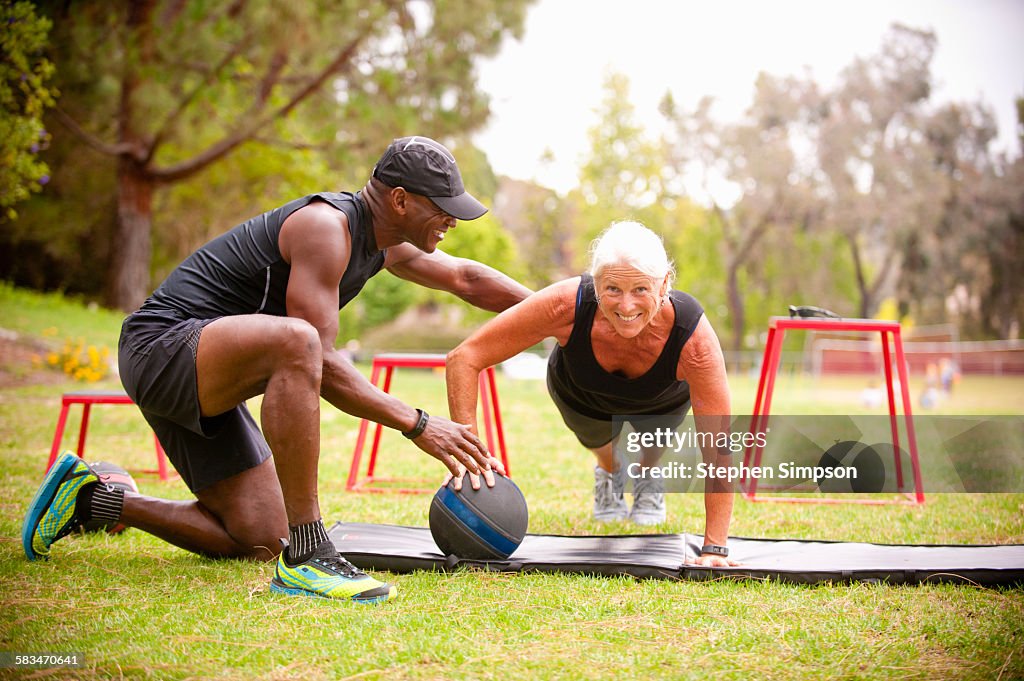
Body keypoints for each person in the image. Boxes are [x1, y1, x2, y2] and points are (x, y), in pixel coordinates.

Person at [23, 136, 532, 602]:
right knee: (300, 339)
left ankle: (93, 500)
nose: (452, 222)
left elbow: (465, 278)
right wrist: (420, 423)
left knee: (260, 536)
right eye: (443, 210)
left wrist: (563, 313)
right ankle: (310, 555)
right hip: (160, 349)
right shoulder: (324, 228)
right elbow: (321, 363)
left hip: (212, 373)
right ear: (400, 200)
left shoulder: (380, 242)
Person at [445, 221, 738, 567]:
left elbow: (718, 447)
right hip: (581, 393)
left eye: (641, 289)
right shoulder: (566, 304)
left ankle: (647, 478)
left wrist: (715, 547)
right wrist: (470, 460)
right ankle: (611, 473)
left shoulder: (694, 339)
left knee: (652, 446)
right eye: (612, 288)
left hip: (662, 399)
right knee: (604, 447)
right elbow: (464, 358)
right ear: (595, 281)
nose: (626, 306)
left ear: (665, 285)